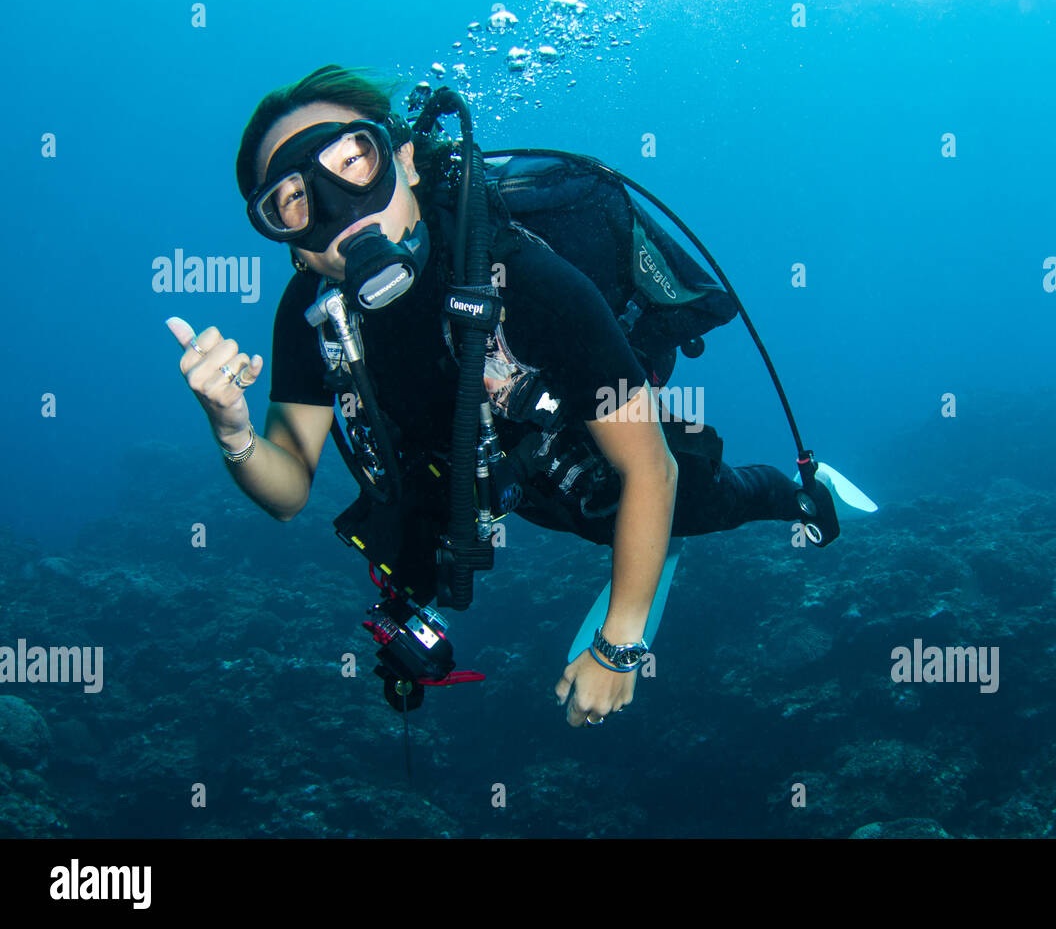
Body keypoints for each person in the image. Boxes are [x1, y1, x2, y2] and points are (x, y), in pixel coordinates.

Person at [166, 65, 853, 730]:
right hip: (464, 477)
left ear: (404, 160)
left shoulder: (526, 278)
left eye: (353, 160)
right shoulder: (310, 315)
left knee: (685, 502)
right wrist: (232, 431)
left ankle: (797, 493)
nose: (339, 210)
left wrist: (619, 646)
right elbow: (286, 491)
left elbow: (650, 469)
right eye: (293, 200)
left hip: (572, 451)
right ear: (290, 244)